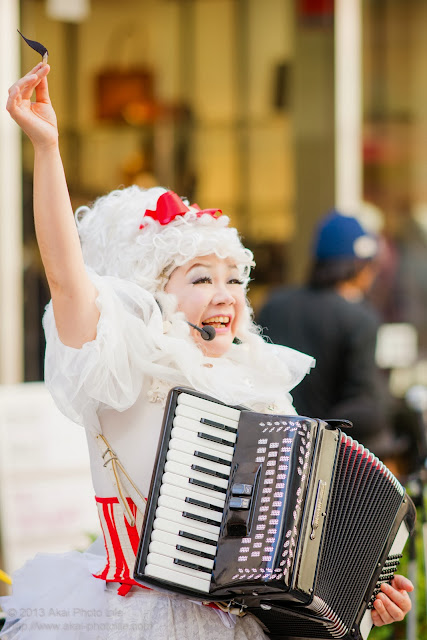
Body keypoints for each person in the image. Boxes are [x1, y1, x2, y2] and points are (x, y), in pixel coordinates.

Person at [1, 62, 413, 639]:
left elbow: (304, 559)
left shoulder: (262, 387)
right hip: (140, 619)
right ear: (154, 294)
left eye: (233, 279)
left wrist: (367, 597)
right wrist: (47, 150)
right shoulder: (124, 364)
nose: (223, 296)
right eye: (200, 279)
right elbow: (67, 282)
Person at [257, 210, 407, 465]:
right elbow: (365, 408)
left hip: (270, 448)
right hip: (326, 460)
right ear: (361, 268)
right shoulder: (360, 318)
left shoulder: (274, 304)